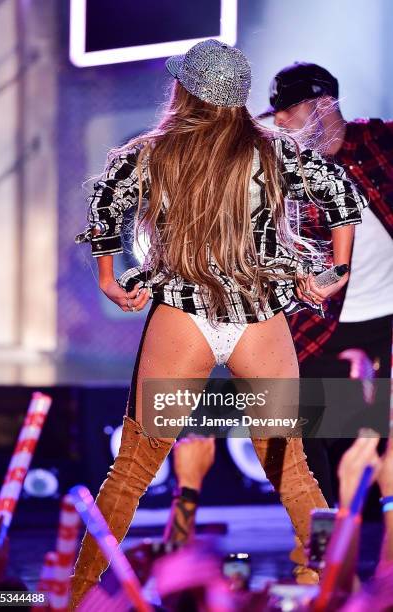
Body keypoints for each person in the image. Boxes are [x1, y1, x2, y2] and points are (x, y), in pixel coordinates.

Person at [70, 40, 367, 607]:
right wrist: (335, 270)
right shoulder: (275, 152)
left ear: (185, 90)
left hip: (184, 314)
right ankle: (330, 588)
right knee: (294, 471)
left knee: (132, 468)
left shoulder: (150, 154)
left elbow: (106, 206)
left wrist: (112, 279)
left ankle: (73, 591)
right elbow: (341, 197)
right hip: (259, 315)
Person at [258, 62, 393, 507]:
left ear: (324, 104)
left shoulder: (378, 141)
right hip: (328, 323)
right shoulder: (289, 172)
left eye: (289, 109)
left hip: (388, 319)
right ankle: (318, 544)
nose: (279, 120)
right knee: (291, 425)